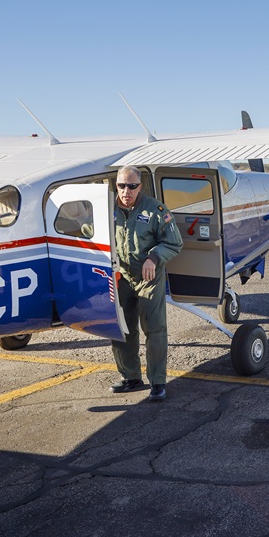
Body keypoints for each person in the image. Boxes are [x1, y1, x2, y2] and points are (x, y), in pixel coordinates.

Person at [109, 166, 183, 402]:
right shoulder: (106, 210)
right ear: (116, 185)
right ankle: (130, 377)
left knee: (155, 328)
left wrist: (154, 257)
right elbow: (92, 234)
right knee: (121, 327)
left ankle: (158, 382)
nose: (126, 190)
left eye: (132, 186)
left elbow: (174, 243)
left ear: (140, 186)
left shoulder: (156, 210)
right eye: (121, 185)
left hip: (148, 277)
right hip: (121, 276)